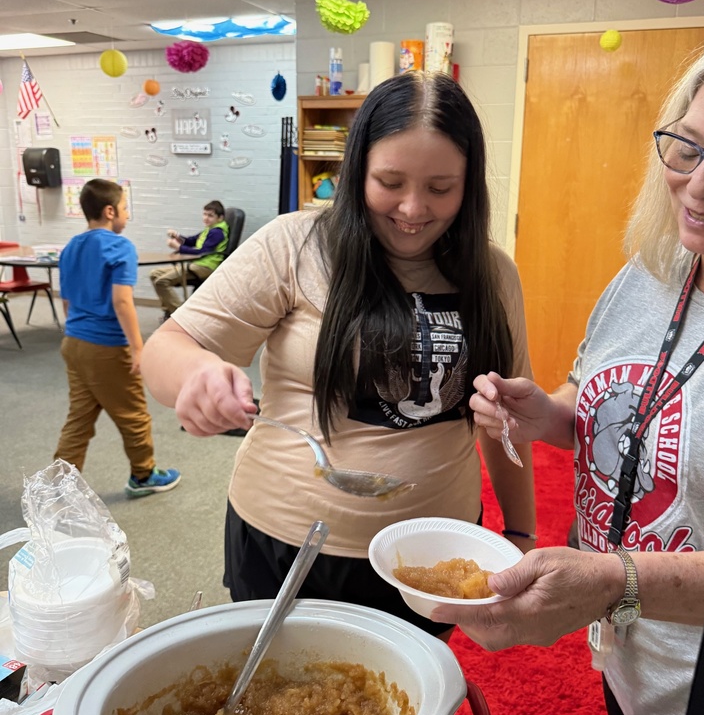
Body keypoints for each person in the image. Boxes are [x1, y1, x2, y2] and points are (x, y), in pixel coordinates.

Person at [434, 23, 704, 715]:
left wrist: (616, 580)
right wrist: (547, 416)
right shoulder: (651, 274)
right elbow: (610, 402)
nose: (700, 183)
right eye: (686, 147)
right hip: (636, 660)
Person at [141, 70, 535, 638]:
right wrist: (197, 373)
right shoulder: (295, 244)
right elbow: (166, 348)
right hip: (288, 543)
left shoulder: (494, 275)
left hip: (431, 554)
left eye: (441, 188)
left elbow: (504, 418)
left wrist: (520, 532)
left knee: (403, 709)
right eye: (390, 182)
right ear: (356, 173)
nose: (413, 208)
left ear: (469, 186)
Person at [54, 179, 181, 499]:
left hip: (73, 343)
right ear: (110, 211)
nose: (126, 214)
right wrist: (139, 349)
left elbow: (66, 301)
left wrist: (80, 332)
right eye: (125, 208)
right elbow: (122, 302)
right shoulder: (119, 246)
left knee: (79, 417)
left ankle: (57, 487)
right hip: (107, 347)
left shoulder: (70, 247)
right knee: (133, 413)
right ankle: (144, 474)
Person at [150, 200, 229, 319]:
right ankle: (168, 310)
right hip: (197, 264)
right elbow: (191, 241)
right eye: (205, 214)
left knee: (162, 282)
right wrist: (177, 236)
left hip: (205, 267)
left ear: (220, 218)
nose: (206, 218)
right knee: (154, 274)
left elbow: (201, 251)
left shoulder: (217, 232)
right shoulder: (209, 229)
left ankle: (180, 317)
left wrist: (179, 247)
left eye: (210, 215)